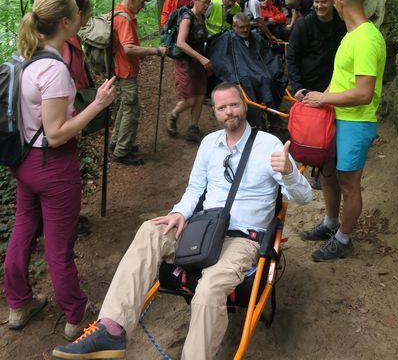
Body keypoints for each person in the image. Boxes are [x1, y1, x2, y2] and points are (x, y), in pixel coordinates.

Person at [52, 82, 312, 360]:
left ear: (244, 106)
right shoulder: (209, 144)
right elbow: (194, 190)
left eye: (234, 105)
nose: (229, 112)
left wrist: (288, 172)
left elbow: (304, 197)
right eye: (222, 108)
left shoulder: (268, 145)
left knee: (209, 290)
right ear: (214, 112)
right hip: (204, 230)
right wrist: (179, 213)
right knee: (151, 230)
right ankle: (112, 329)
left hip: (242, 239)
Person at [4, 0, 115, 341]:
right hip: (53, 166)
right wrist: (98, 104)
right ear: (65, 23)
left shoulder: (24, 60)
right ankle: (74, 315)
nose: (82, 22)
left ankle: (18, 304)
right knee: (58, 245)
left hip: (24, 163)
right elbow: (55, 134)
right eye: (77, 17)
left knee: (23, 233)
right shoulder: (52, 69)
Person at [300, 0, 386, 261]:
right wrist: (317, 100)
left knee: (349, 182)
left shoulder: (366, 39)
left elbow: (363, 93)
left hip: (356, 122)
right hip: (337, 118)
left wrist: (323, 99)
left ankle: (344, 238)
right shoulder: (351, 36)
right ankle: (330, 223)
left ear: (339, 3)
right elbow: (340, 82)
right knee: (328, 174)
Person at [111, 0, 166, 166]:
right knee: (131, 111)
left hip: (118, 69)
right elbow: (129, 48)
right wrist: (156, 51)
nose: (143, 6)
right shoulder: (124, 19)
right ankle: (122, 151)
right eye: (142, 2)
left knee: (125, 107)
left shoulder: (116, 12)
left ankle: (116, 142)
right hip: (126, 71)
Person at [60, 0, 94, 238]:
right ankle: (66, 221)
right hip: (62, 119)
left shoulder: (71, 40)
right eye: (88, 11)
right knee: (64, 174)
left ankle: (68, 216)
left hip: (66, 113)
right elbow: (61, 87)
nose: (91, 15)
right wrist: (73, 119)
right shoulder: (64, 44)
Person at [208, 13, 287, 119]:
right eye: (241, 27)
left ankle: (272, 116)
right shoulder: (226, 40)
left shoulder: (256, 38)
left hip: (259, 70)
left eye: (247, 26)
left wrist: (275, 70)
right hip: (241, 74)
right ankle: (256, 120)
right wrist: (233, 77)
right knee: (248, 82)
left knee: (269, 78)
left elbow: (267, 56)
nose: (245, 30)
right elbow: (222, 61)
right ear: (234, 26)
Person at [166, 0, 212, 143]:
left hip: (198, 62)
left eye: (209, 2)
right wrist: (201, 58)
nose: (207, 5)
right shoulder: (187, 18)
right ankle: (173, 114)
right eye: (204, 2)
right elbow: (180, 43)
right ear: (195, 1)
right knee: (190, 99)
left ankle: (193, 128)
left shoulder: (202, 17)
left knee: (199, 96)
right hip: (185, 62)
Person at [287, 0, 346, 100]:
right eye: (316, 2)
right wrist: (297, 87)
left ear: (333, 0)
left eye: (324, 2)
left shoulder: (343, 23)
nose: (319, 6)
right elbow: (292, 57)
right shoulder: (303, 25)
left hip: (338, 84)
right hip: (310, 87)